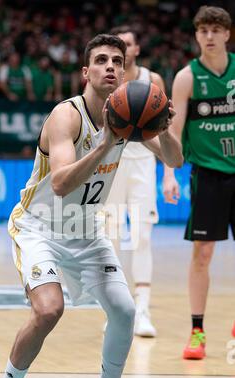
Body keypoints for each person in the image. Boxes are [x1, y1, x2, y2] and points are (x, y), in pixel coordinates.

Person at [0, 34, 183, 378]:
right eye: (102, 60)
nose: (111, 66)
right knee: (48, 309)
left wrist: (163, 127)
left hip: (87, 231)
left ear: (125, 72)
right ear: (86, 72)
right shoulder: (67, 116)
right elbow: (59, 183)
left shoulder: (130, 116)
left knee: (125, 313)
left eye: (117, 61)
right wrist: (107, 143)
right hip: (39, 227)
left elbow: (176, 159)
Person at [106, 25, 180, 337]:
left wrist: (170, 174)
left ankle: (143, 310)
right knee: (109, 239)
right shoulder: (107, 79)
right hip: (111, 163)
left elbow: (166, 131)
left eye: (127, 44)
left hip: (142, 165)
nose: (122, 49)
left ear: (136, 49)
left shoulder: (153, 81)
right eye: (117, 45)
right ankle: (115, 311)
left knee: (142, 237)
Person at [170, 6, 235, 359]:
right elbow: (174, 131)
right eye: (203, 30)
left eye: (216, 30)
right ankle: (197, 331)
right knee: (203, 253)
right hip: (207, 174)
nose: (209, 36)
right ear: (196, 35)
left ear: (227, 33)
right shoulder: (187, 78)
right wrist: (168, 173)